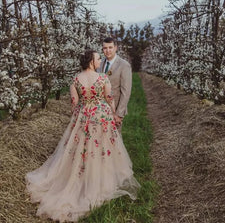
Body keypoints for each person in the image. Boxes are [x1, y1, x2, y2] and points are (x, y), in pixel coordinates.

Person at [25, 50, 140, 222]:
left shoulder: (76, 79)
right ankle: (100, 181)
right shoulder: (102, 78)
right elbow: (109, 98)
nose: (100, 60)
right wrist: (114, 113)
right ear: (91, 62)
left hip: (83, 117)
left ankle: (79, 177)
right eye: (98, 58)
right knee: (101, 148)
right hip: (101, 116)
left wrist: (81, 114)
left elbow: (74, 104)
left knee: (80, 150)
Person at [100, 37, 132, 131]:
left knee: (115, 139)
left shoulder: (124, 65)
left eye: (110, 47)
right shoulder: (100, 63)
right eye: (105, 48)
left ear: (116, 48)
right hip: (99, 109)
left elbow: (126, 92)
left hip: (115, 110)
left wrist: (119, 114)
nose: (108, 51)